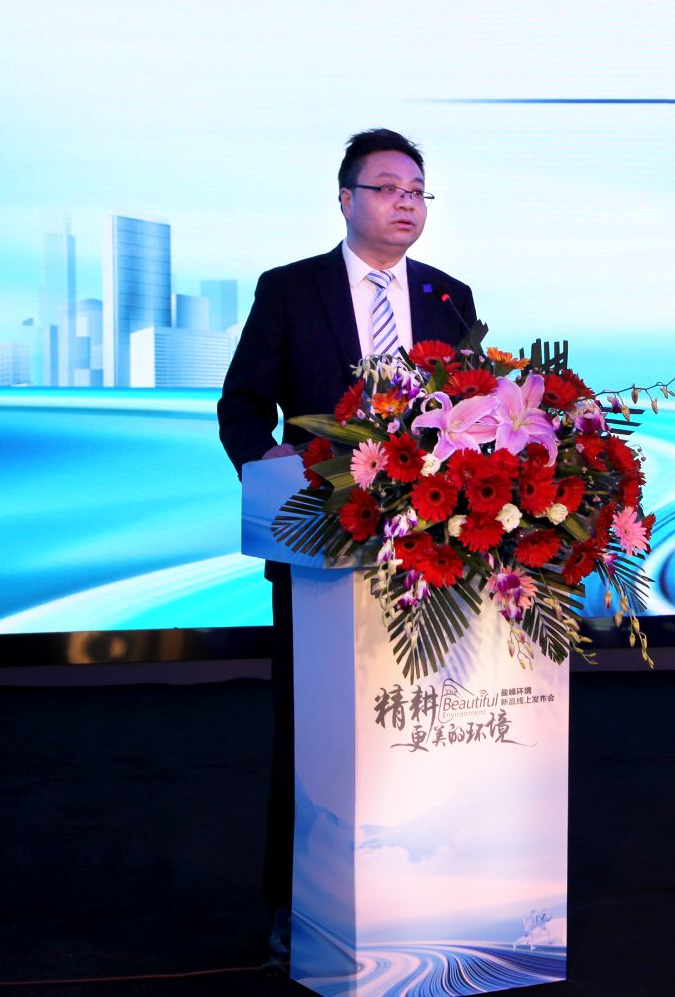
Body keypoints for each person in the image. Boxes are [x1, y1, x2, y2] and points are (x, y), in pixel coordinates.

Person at [216, 128, 478, 973]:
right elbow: (242, 404)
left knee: (424, 723)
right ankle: (297, 904)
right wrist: (270, 469)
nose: (407, 203)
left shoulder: (448, 297)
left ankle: (421, 888)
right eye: (389, 188)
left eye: (418, 191)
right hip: (321, 548)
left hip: (432, 556)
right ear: (346, 198)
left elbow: (472, 413)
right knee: (313, 732)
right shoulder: (291, 290)